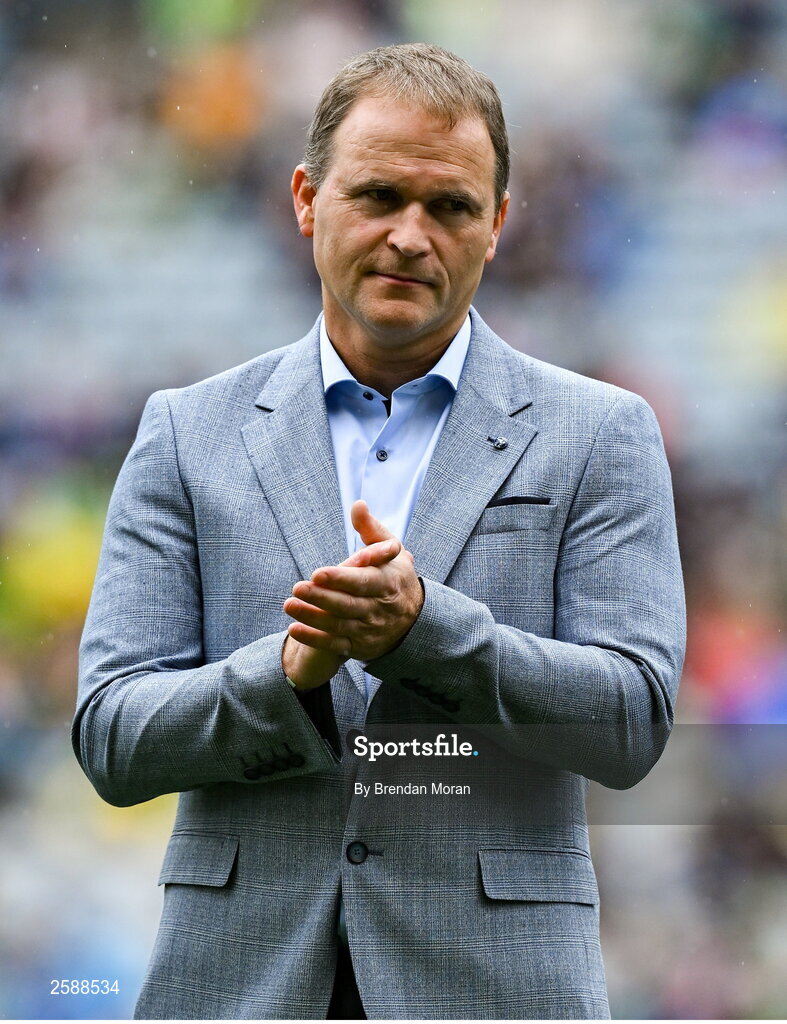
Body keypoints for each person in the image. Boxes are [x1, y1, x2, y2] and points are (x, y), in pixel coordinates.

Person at [73, 43, 686, 1020]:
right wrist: (286, 675)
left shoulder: (599, 433)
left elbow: (631, 721)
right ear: (306, 199)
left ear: (497, 225)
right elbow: (112, 736)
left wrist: (426, 632)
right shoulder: (186, 432)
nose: (410, 235)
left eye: (449, 207)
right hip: (239, 989)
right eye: (378, 196)